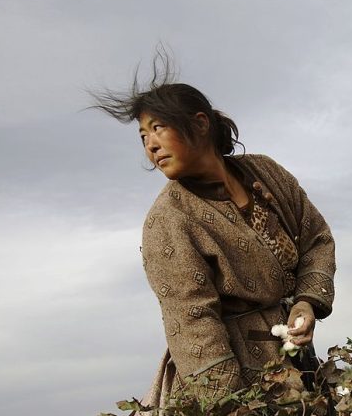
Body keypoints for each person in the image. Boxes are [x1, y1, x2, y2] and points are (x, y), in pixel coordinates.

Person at [90, 53, 336, 410]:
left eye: (158, 128)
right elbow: (193, 323)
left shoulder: (265, 175)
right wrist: (232, 406)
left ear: (200, 123)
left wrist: (306, 301)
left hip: (298, 363)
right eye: (143, 135)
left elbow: (316, 239)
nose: (150, 145)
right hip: (231, 381)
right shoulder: (168, 219)